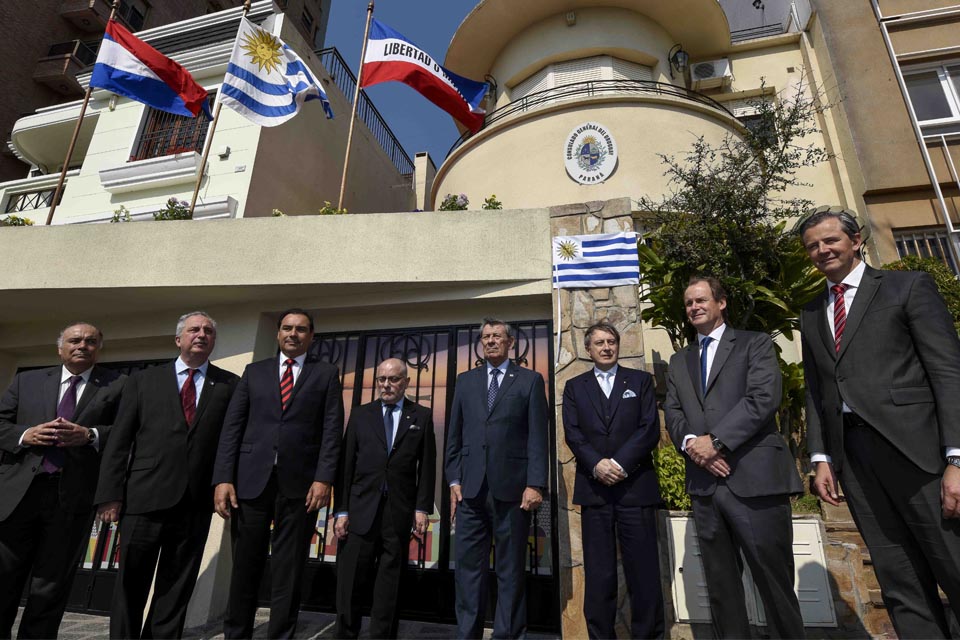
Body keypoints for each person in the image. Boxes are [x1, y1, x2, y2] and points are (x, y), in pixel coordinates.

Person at [800, 207, 960, 637]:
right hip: (856, 461)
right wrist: (821, 457)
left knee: (953, 564)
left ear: (856, 241)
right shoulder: (812, 312)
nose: (822, 250)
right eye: (813, 245)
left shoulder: (906, 287)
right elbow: (817, 391)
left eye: (830, 240)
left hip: (919, 455)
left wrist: (957, 458)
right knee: (898, 578)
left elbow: (948, 371)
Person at [664, 277, 804, 639]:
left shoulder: (754, 344)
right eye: (689, 303)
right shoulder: (679, 361)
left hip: (754, 481)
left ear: (721, 302)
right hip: (705, 487)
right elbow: (674, 412)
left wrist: (718, 442)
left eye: (701, 300)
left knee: (774, 583)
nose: (694, 307)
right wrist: (696, 446)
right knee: (722, 588)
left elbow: (762, 399)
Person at [95, 312, 239, 639]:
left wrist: (223, 482)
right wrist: (110, 494)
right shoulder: (144, 381)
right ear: (179, 339)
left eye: (208, 331)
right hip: (143, 500)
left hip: (194, 502)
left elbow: (230, 441)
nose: (201, 335)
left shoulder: (229, 384)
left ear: (213, 341)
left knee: (175, 589)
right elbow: (119, 441)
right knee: (131, 585)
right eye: (193, 330)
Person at [212, 308, 344, 639]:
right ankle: (236, 632)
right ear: (278, 333)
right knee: (245, 564)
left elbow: (331, 430)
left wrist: (324, 478)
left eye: (301, 329)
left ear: (311, 336)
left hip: (300, 484)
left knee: (290, 567)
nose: (293, 334)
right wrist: (223, 478)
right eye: (287, 328)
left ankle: (281, 634)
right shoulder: (253, 372)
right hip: (249, 482)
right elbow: (233, 428)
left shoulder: (325, 374)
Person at [0, 322, 125, 639]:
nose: (83, 345)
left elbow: (129, 433)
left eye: (91, 341)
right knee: (3, 577)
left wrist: (90, 435)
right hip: (18, 495)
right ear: (60, 348)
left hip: (72, 498)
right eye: (75, 340)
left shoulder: (119, 385)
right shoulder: (26, 380)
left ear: (99, 348)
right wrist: (26, 434)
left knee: (51, 584)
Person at [444, 317, 549, 639]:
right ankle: (468, 634)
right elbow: (455, 435)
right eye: (486, 337)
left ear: (510, 343)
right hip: (471, 492)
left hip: (513, 491)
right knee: (467, 572)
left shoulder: (530, 381)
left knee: (510, 571)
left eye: (497, 336)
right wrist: (453, 480)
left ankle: (508, 634)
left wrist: (535, 483)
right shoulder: (465, 381)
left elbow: (537, 436)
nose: (491, 341)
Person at [561, 321, 664, 639]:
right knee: (599, 574)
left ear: (618, 346)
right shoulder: (575, 388)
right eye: (599, 343)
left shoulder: (641, 381)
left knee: (644, 574)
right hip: (596, 492)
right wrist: (596, 465)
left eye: (611, 342)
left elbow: (649, 429)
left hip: (636, 489)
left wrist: (618, 463)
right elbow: (573, 434)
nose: (606, 347)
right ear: (588, 349)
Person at [333, 358, 436, 639]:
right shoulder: (360, 415)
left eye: (393, 379)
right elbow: (345, 467)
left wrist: (422, 509)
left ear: (406, 382)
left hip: (397, 513)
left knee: (389, 585)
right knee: (350, 582)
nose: (386, 385)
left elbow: (426, 468)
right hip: (360, 510)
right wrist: (341, 511)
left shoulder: (421, 417)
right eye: (382, 380)